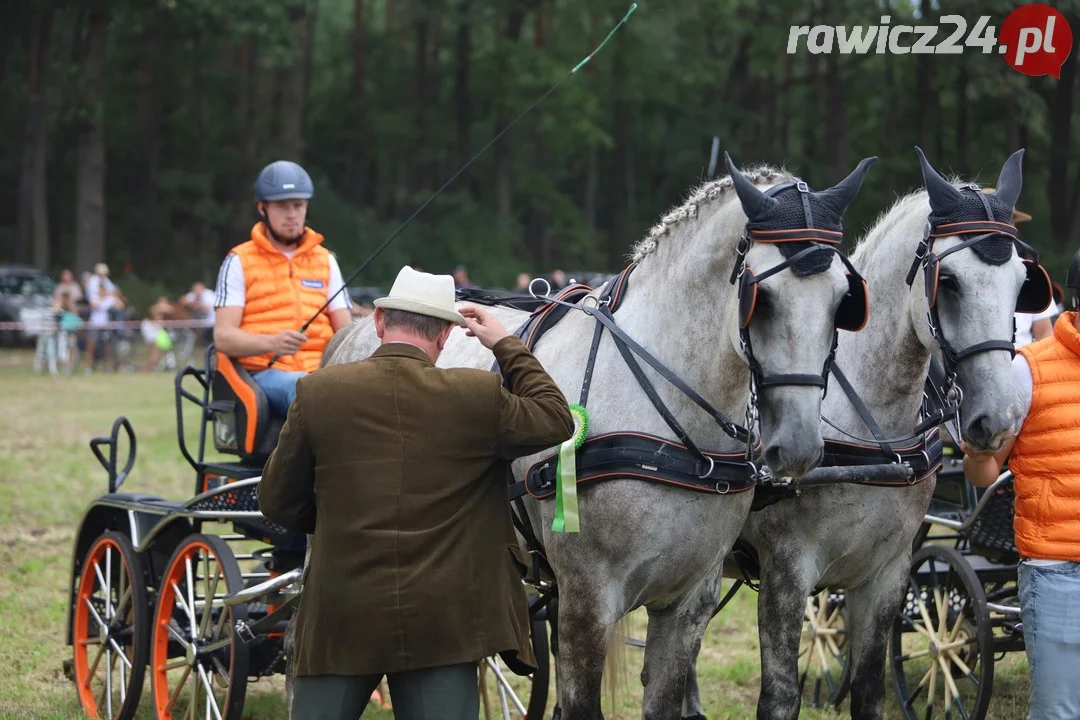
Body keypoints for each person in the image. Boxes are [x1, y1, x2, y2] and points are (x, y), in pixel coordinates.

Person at [257, 265, 574, 720]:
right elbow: (556, 418)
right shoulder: (477, 394)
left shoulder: (317, 392)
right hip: (443, 621)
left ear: (381, 322)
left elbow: (277, 501)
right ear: (446, 336)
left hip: (340, 611)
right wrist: (506, 344)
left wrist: (340, 522)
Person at [962, 247, 1080, 720]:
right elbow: (987, 472)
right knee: (1060, 712)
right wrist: (976, 456)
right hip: (1058, 573)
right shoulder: (1027, 369)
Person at [213, 160, 353, 417]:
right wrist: (272, 342)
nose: (291, 214)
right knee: (305, 388)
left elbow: (346, 331)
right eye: (281, 206)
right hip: (262, 373)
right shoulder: (239, 261)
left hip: (321, 371)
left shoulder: (325, 260)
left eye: (298, 205)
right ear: (262, 208)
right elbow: (223, 337)